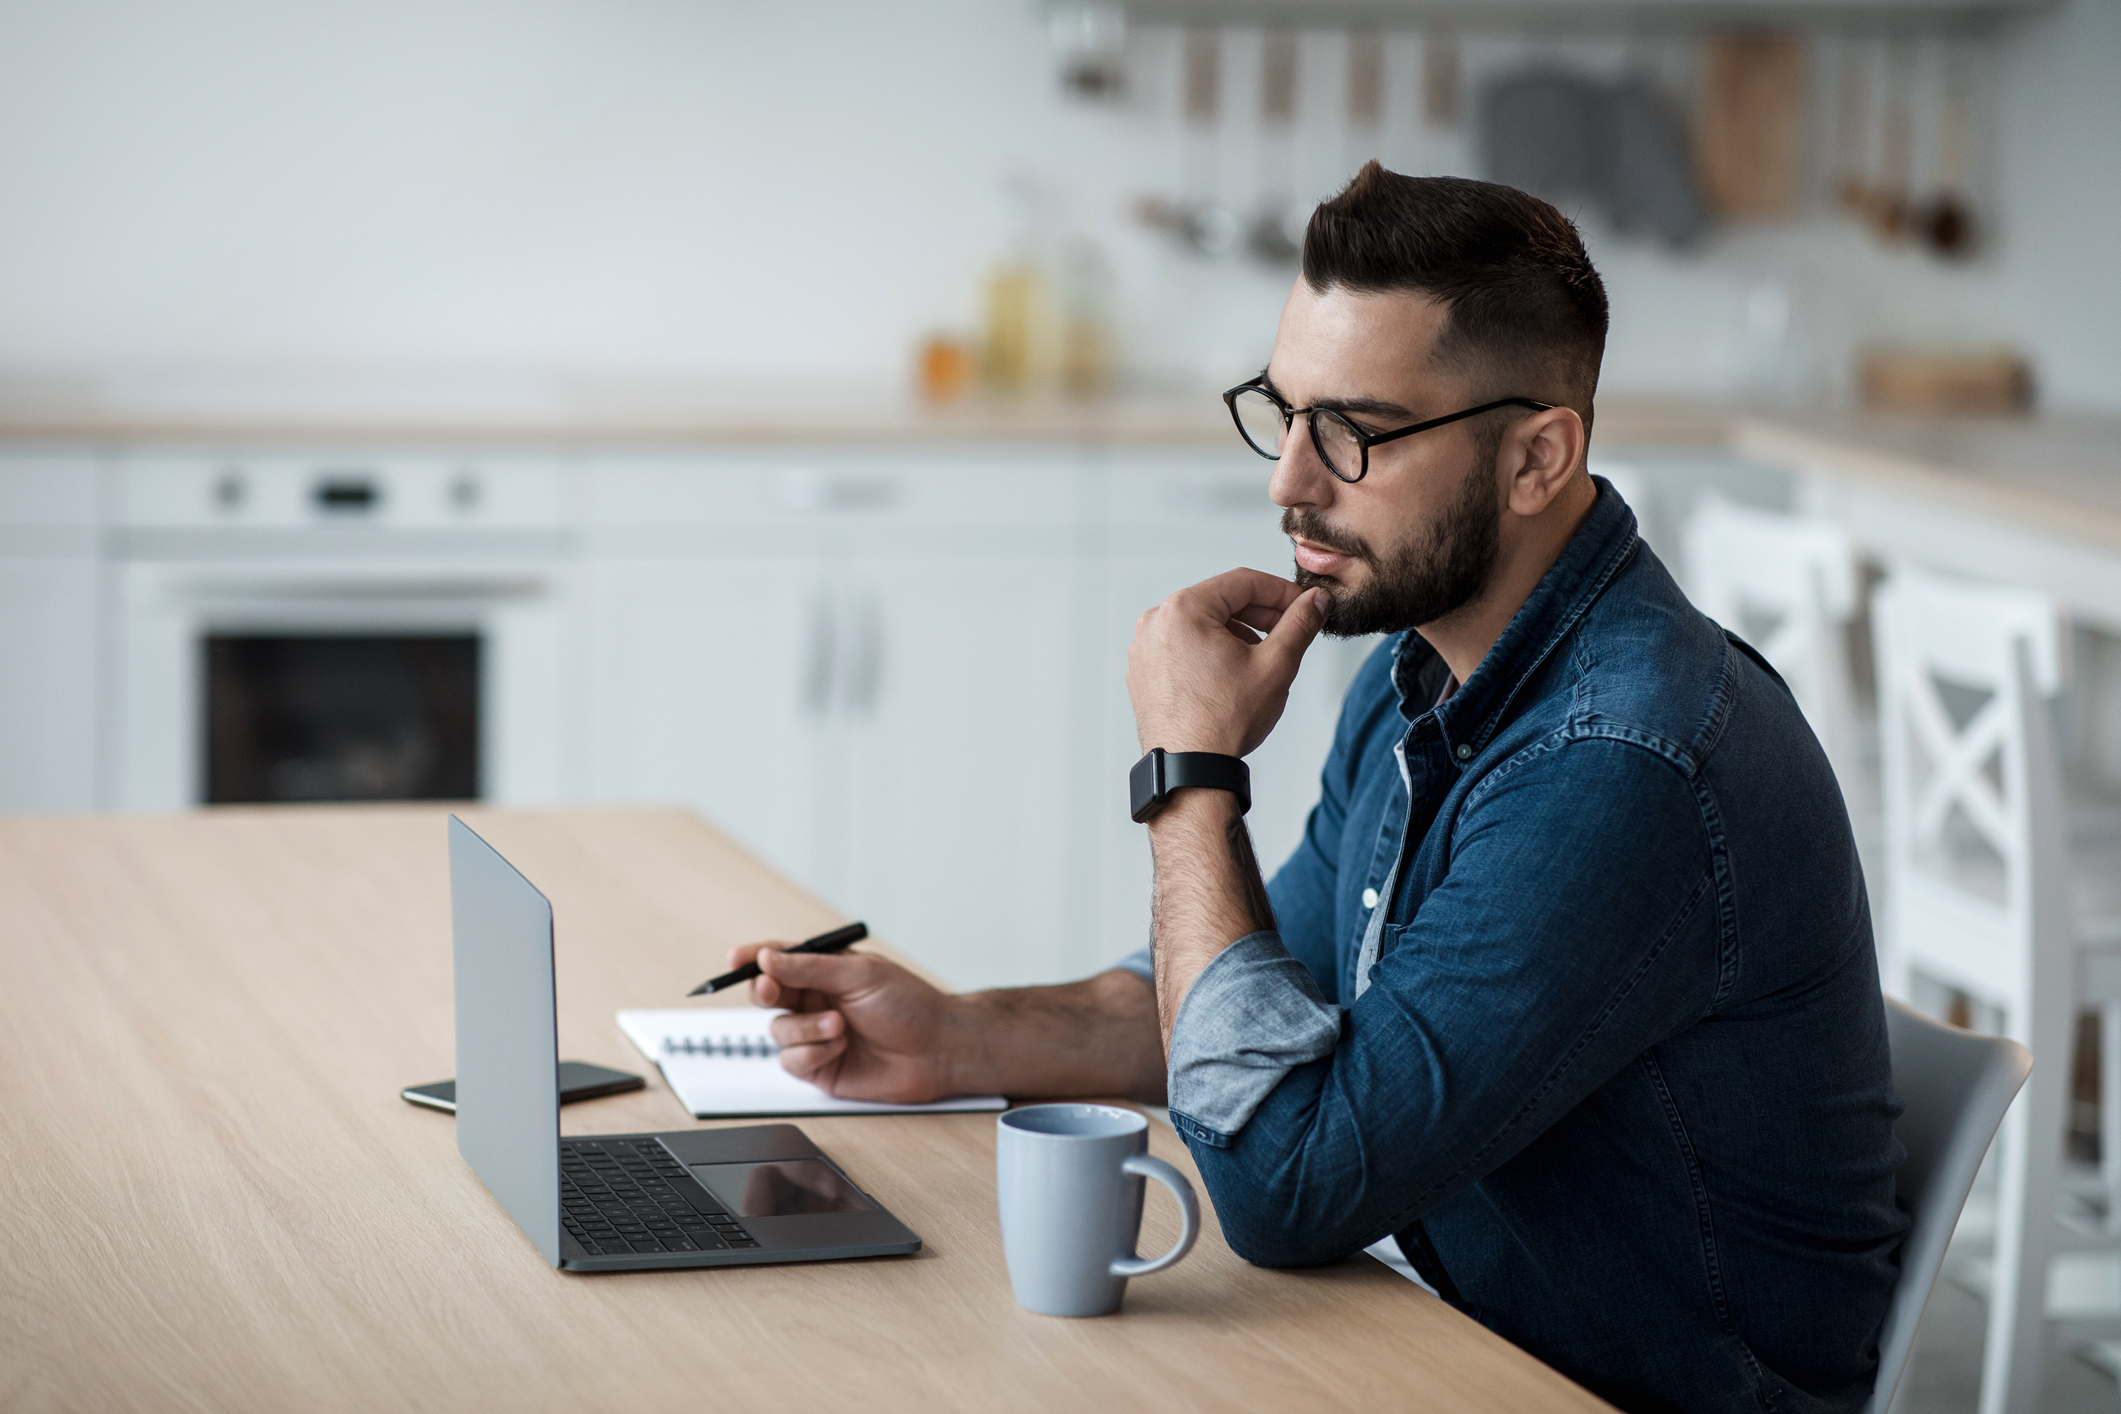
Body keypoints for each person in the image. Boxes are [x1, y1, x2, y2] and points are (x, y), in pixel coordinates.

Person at [726, 164, 1908, 1413]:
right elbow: (1256, 1017)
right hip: (1456, 1335)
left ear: (1536, 457)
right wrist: (963, 1036)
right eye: (1281, 412)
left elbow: (1278, 1181)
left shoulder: (1620, 765)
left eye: (1354, 432)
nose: (1290, 482)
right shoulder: (1423, 668)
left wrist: (1190, 778)